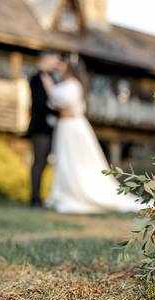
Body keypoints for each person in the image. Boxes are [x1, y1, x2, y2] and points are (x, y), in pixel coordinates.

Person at [42, 57, 142, 214]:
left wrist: (46, 81)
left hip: (72, 126)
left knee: (77, 161)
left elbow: (56, 99)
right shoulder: (67, 84)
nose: (60, 66)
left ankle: (75, 193)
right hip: (65, 126)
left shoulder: (73, 85)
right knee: (64, 160)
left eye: (63, 64)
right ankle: (63, 193)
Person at [26, 51, 61, 208]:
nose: (56, 63)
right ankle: (35, 198)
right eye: (54, 60)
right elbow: (39, 105)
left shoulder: (53, 78)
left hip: (53, 129)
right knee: (39, 162)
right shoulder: (35, 79)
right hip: (40, 128)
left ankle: (46, 196)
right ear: (45, 59)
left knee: (47, 164)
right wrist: (58, 111)